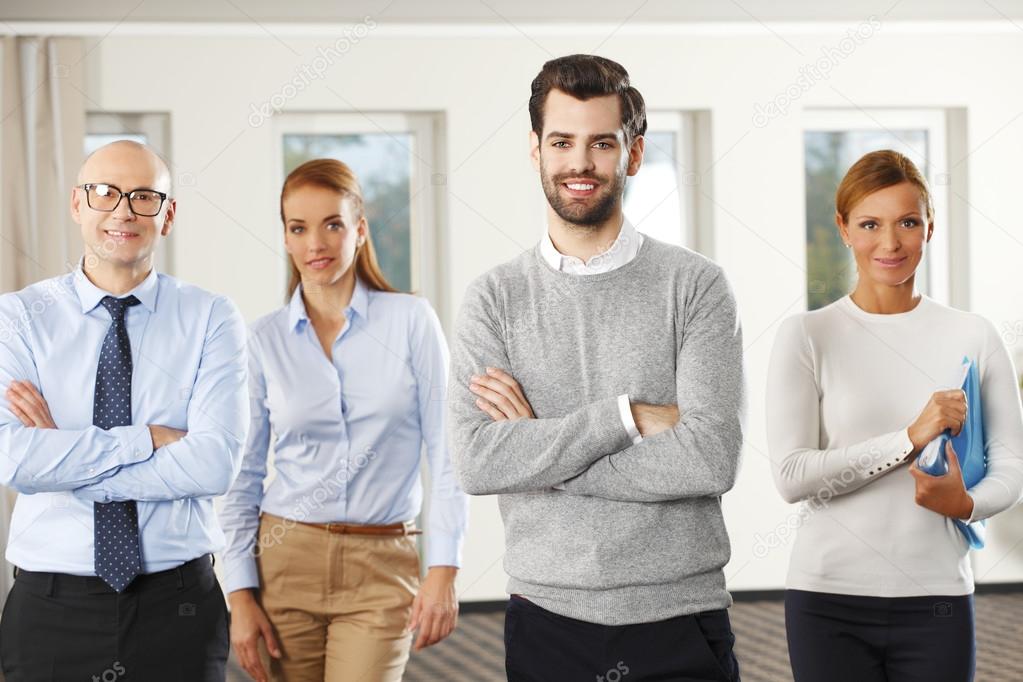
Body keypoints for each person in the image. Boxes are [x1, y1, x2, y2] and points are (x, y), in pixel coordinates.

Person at [448, 54, 745, 681]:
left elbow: (710, 458)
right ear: (536, 150)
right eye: (562, 141)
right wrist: (624, 417)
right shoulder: (493, 299)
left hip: (681, 617)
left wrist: (542, 449)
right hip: (546, 619)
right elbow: (477, 462)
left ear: (633, 154)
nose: (579, 163)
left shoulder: (696, 287)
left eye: (601, 143)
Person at [766, 149, 1023, 682]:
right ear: (843, 228)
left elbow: (1013, 466)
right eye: (870, 224)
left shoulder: (974, 334)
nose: (890, 243)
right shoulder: (808, 336)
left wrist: (967, 503)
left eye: (907, 222)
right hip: (827, 598)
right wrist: (908, 437)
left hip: (938, 598)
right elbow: (793, 478)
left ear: (930, 227)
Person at [0, 140, 248, 680]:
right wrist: (148, 439)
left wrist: (65, 459)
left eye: (143, 197)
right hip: (50, 608)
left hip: (179, 605)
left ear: (169, 214)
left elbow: (213, 465)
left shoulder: (211, 317)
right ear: (76, 204)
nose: (123, 211)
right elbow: (14, 461)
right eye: (105, 193)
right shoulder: (17, 317)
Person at [220, 158, 468, 682]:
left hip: (382, 564)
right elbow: (241, 477)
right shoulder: (262, 341)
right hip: (284, 562)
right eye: (298, 227)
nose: (316, 243)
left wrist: (444, 568)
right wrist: (240, 594)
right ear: (285, 239)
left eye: (333, 224)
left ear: (360, 230)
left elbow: (448, 451)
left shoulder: (410, 322)